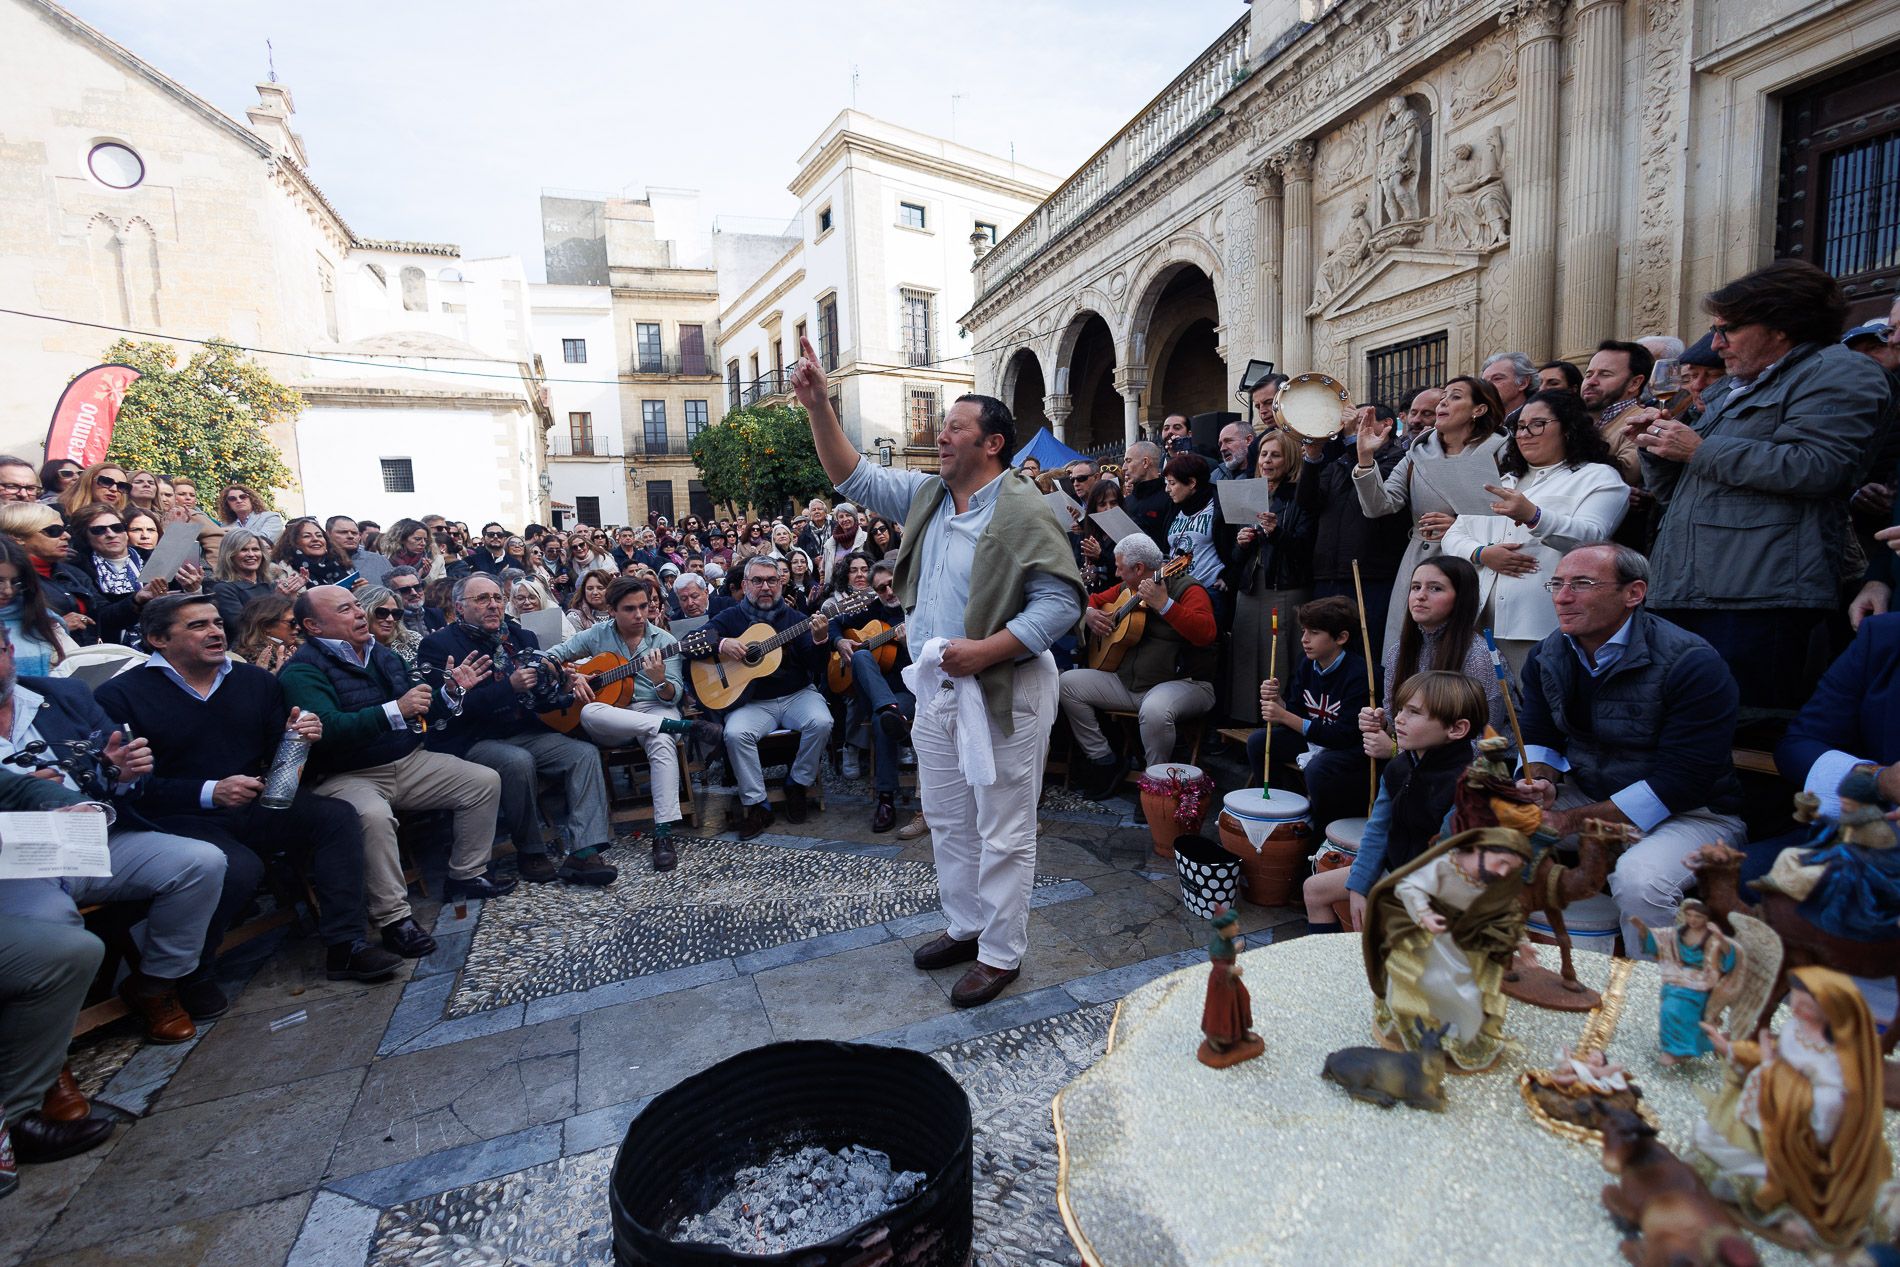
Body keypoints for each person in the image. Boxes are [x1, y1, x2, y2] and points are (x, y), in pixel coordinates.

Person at [794, 334, 1085, 1008]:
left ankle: (1002, 953)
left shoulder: (1023, 508)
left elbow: (1061, 600)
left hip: (1003, 685)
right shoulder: (928, 496)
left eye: (956, 427)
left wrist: (986, 651)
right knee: (949, 818)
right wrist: (818, 406)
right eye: (944, 426)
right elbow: (853, 476)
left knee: (1004, 828)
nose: (942, 435)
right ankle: (967, 925)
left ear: (992, 444)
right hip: (939, 685)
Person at [98, 594, 403, 984]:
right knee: (239, 867)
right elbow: (130, 786)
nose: (214, 632)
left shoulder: (253, 681)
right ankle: (188, 975)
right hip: (178, 818)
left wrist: (300, 740)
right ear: (158, 639)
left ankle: (346, 946)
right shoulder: (121, 695)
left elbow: (281, 761)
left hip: (251, 801)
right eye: (197, 626)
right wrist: (210, 791)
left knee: (336, 817)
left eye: (216, 623)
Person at [1636, 260, 1891, 710]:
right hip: (1688, 584)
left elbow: (1820, 466)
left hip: (1761, 594)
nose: (1716, 345)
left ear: (1780, 327)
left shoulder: (1840, 372)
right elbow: (1680, 492)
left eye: (1728, 329)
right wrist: (1656, 448)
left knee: (1745, 731)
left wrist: (1697, 450)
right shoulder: (1735, 387)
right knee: (1682, 724)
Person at [0, 625, 231, 1040]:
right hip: (16, 863)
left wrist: (121, 774)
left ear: (10, 650)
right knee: (53, 925)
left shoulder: (60, 696)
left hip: (93, 839)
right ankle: (48, 1059)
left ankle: (156, 984)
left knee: (201, 861)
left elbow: (129, 778)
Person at [1512, 544, 1744, 951]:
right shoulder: (1549, 653)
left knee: (1641, 882)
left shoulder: (1691, 661)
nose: (1562, 597)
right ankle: (1513, 964)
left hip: (1693, 814)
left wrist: (1571, 820)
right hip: (1593, 796)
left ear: (1633, 593)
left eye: (1581, 584)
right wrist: (1539, 781)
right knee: (1480, 828)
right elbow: (1537, 732)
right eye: (1557, 583)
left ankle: (1649, 997)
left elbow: (1683, 781)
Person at [278, 585, 512, 958]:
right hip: (346, 773)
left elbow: (418, 709)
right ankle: (394, 920)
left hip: (406, 759)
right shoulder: (302, 671)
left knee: (482, 781)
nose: (359, 613)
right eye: (344, 609)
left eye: (357, 605)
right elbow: (326, 730)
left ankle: (465, 876)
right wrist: (395, 710)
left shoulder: (382, 655)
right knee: (372, 817)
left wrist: (450, 693)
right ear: (313, 625)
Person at [418, 575, 618, 886]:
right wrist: (508, 688)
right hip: (474, 737)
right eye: (482, 599)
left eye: (498, 598)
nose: (493, 605)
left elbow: (540, 699)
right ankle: (531, 850)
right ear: (460, 607)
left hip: (523, 730)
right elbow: (442, 712)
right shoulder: (439, 646)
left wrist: (562, 684)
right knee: (517, 761)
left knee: (583, 753)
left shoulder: (520, 636)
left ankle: (585, 851)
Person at [1691, 968, 1890, 1252]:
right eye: (1795, 1002)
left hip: (1802, 1142)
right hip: (1765, 1116)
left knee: (1758, 1175)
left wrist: (1777, 1079)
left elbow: (1829, 1105)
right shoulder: (1795, 1028)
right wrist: (1732, 1049)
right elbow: (1772, 1054)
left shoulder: (1840, 1057)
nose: (1798, 1011)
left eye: (1807, 1006)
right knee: (1709, 1137)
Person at [1440, 388, 1629, 672]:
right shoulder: (1502, 480)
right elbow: (1454, 534)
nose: (1525, 434)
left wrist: (1533, 516)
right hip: (1476, 620)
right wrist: (1481, 553)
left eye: (1538, 424)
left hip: (1540, 623)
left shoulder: (1597, 477)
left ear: (1569, 428)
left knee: (1534, 707)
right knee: (1480, 709)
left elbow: (1592, 539)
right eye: (1520, 427)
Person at [542, 575, 722, 871]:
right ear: (611, 610)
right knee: (588, 712)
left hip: (654, 708)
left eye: (644, 606)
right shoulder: (597, 634)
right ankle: (685, 730)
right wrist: (572, 677)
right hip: (611, 716)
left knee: (662, 740)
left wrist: (660, 680)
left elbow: (672, 696)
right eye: (629, 609)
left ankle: (663, 834)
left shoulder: (665, 642)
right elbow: (552, 656)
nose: (640, 615)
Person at [1304, 669, 1488, 934]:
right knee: (1314, 889)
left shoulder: (1469, 785)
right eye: (1400, 709)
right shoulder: (1399, 767)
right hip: (1396, 867)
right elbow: (1378, 829)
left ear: (1457, 728)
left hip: (1438, 890)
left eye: (1414, 712)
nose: (1399, 719)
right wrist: (1359, 885)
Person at [1352, 379, 1510, 650]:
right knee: (1413, 653)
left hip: (1479, 565)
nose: (1443, 403)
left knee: (1470, 654)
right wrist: (1365, 459)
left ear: (1479, 410)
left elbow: (1515, 515)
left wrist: (1460, 527)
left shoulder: (1504, 452)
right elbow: (1379, 506)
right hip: (1422, 560)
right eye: (1443, 396)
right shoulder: (1416, 454)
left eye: (1455, 397)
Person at [1364, 826, 1533, 1071]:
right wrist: (1425, 915)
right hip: (1430, 934)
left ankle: (1457, 1035)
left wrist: (1522, 944)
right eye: (1502, 862)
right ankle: (1419, 1027)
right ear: (1479, 849)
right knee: (1432, 978)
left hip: (1468, 937)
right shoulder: (1446, 865)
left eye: (1511, 868)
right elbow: (1408, 887)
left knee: (1474, 986)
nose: (1504, 872)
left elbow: (1506, 915)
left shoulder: (1495, 881)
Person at [1062, 532, 1216, 797]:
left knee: (1155, 709)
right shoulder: (1127, 589)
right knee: (1066, 684)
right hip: (1132, 685)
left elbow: (1206, 633)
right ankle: (1104, 760)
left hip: (1185, 684)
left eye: (1121, 568)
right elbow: (1090, 601)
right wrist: (1088, 614)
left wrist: (1164, 604)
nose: (1117, 574)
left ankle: (1156, 784)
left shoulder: (1188, 588)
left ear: (1139, 568)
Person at [695, 555, 835, 840]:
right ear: (745, 585)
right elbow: (693, 641)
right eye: (757, 581)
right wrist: (722, 642)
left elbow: (816, 666)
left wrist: (821, 640)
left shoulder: (797, 620)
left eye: (772, 580)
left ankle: (797, 782)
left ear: (781, 584)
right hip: (753, 702)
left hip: (797, 695)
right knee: (735, 734)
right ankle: (758, 803)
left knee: (822, 722)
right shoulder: (731, 617)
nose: (765, 587)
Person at [1250, 596, 1377, 835]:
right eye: (1304, 630)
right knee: (1259, 742)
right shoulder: (1307, 663)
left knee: (1319, 769)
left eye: (1314, 632)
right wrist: (1277, 701)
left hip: (1348, 749)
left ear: (1341, 638)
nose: (1304, 639)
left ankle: (1320, 833)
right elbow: (1297, 711)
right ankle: (1278, 814)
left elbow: (1343, 736)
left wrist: (1284, 716)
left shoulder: (1360, 674)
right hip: (1316, 738)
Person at [1298, 403, 1414, 663]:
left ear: (1387, 426)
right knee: (1325, 655)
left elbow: (1372, 495)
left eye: (1363, 420)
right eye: (1353, 421)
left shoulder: (1398, 459)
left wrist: (1353, 440)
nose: (1355, 425)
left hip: (1371, 575)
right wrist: (1313, 458)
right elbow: (1308, 503)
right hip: (1329, 574)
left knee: (1364, 654)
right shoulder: (1340, 461)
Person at [1363, 558, 1508, 756]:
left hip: (1470, 775)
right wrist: (1382, 723)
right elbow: (1395, 720)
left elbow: (1489, 742)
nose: (1420, 596)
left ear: (1461, 598)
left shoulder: (1479, 656)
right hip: (1413, 765)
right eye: (1415, 587)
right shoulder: (1398, 652)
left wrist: (1396, 751)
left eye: (1435, 589)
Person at [1216, 428, 1312, 725]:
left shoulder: (1298, 496)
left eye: (1276, 455)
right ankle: (1247, 721)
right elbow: (1234, 557)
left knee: (1278, 656)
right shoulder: (1249, 493)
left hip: (1283, 586)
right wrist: (1242, 543)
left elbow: (1305, 548)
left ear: (1290, 459)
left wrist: (1275, 532)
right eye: (1264, 455)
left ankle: (1279, 723)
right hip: (1250, 586)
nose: (1267, 461)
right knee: (1246, 656)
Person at [830, 560, 914, 832]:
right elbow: (834, 624)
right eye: (881, 589)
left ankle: (886, 799)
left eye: (891, 584)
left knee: (882, 721)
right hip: (873, 693)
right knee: (863, 654)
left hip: (906, 692)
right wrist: (839, 641)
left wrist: (908, 644)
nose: (888, 592)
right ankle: (887, 708)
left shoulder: (917, 611)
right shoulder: (870, 611)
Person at [1635, 899, 1735, 1065]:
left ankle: (1681, 1049)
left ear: (1706, 920)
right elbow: (1659, 940)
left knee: (1675, 1009)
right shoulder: (1678, 932)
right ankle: (1673, 1047)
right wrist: (1644, 931)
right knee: (1667, 1009)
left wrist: (1720, 937)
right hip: (1677, 977)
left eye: (1698, 917)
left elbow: (1729, 960)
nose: (1693, 920)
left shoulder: (1712, 939)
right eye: (1689, 916)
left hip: (1701, 982)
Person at [0, 502, 87, 641]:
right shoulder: (16, 581)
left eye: (65, 529)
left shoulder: (73, 572)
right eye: (54, 531)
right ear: (18, 537)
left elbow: (104, 614)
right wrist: (56, 626)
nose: (66, 536)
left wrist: (133, 602)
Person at [0, 539, 74, 676]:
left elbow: (71, 668)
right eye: (0, 581)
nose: (8, 591)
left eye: (15, 582)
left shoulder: (42, 618)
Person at [1160, 452, 1222, 598]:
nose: (1167, 489)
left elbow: (1231, 545)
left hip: (1208, 590)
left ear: (1192, 483)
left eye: (1172, 483)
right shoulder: (1174, 507)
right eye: (1167, 483)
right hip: (1177, 590)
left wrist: (1228, 576)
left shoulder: (1218, 506)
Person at [273, 516, 359, 589]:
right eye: (306, 536)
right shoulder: (281, 569)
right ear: (293, 542)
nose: (315, 539)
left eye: (319, 535)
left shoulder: (341, 565)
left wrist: (360, 589)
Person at [1118, 441, 1172, 549]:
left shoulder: (1169, 498)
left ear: (1146, 462)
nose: (1124, 467)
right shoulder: (1126, 501)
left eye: (1128, 461)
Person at [231, 592, 299, 672]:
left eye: (298, 621)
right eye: (293, 622)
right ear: (266, 625)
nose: (298, 627)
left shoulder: (302, 647)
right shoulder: (253, 657)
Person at [359, 584, 421, 668]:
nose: (390, 619)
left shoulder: (412, 639)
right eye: (382, 613)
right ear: (364, 612)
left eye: (395, 614)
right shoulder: (354, 651)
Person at [327, 516, 390, 586]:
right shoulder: (320, 563)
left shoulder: (379, 560)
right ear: (328, 534)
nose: (350, 536)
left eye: (354, 533)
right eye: (343, 532)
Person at [1479, 351, 1536, 425]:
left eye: (1497, 379)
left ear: (1523, 383)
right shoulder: (1481, 422)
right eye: (1484, 381)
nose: (1487, 386)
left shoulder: (1539, 417)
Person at [381, 518, 446, 582]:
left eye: (425, 540)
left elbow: (440, 588)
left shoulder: (435, 559)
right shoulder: (385, 560)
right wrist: (418, 576)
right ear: (402, 539)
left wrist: (425, 576)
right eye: (417, 539)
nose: (423, 543)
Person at [58, 463, 130, 519]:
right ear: (88, 481)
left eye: (122, 486)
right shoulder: (58, 513)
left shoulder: (127, 519)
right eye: (106, 481)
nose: (114, 489)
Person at [215, 484, 284, 542]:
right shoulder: (226, 525)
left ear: (251, 500)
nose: (239, 501)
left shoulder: (271, 517)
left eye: (243, 497)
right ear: (227, 505)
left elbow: (265, 539)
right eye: (232, 499)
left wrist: (236, 531)